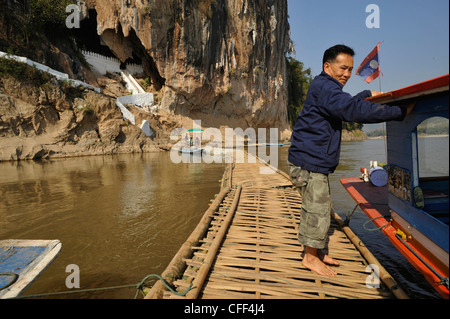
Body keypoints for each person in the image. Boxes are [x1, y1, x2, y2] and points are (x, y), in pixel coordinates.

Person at [288, 44, 415, 277]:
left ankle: (317, 251)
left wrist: (366, 95)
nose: (347, 74)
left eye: (350, 69)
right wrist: (399, 112)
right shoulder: (325, 87)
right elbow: (352, 111)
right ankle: (309, 258)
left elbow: (346, 105)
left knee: (322, 207)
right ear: (327, 66)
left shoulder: (326, 88)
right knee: (316, 209)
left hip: (313, 161)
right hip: (309, 162)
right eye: (342, 68)